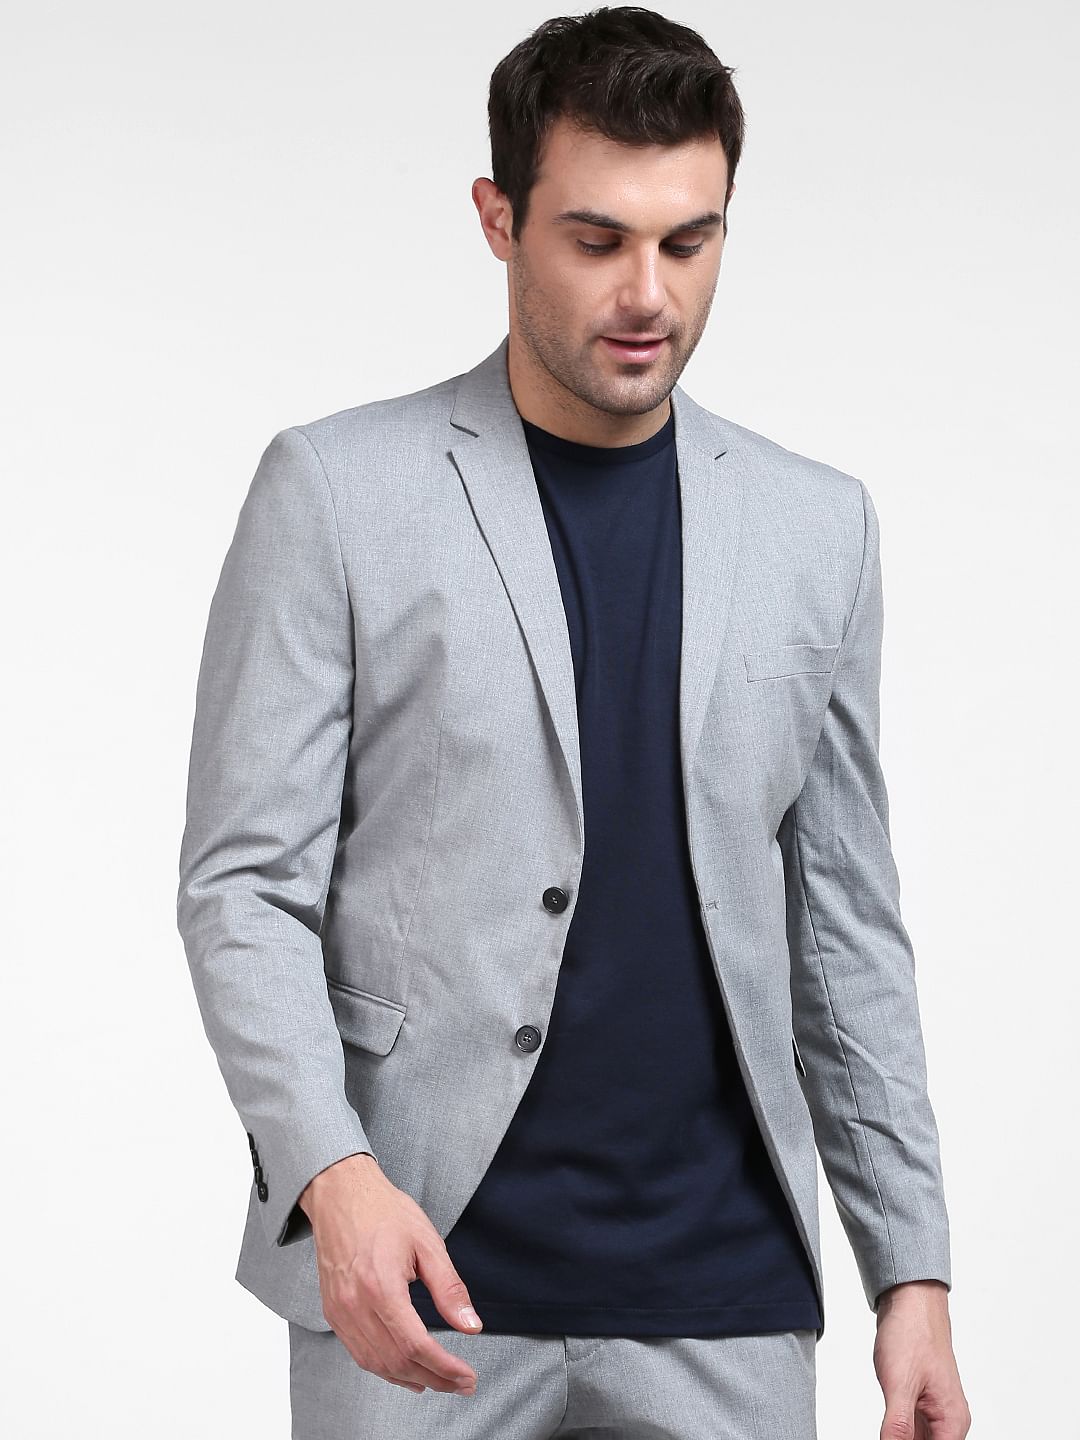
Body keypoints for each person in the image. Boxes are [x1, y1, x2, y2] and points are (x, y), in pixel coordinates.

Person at [177, 7, 971, 1437]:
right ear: (499, 220)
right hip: (418, 1280)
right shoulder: (338, 493)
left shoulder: (819, 528)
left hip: (727, 1296)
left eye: (689, 242)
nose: (647, 293)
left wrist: (910, 1266)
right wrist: (330, 1177)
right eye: (597, 240)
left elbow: (846, 925)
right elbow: (244, 887)